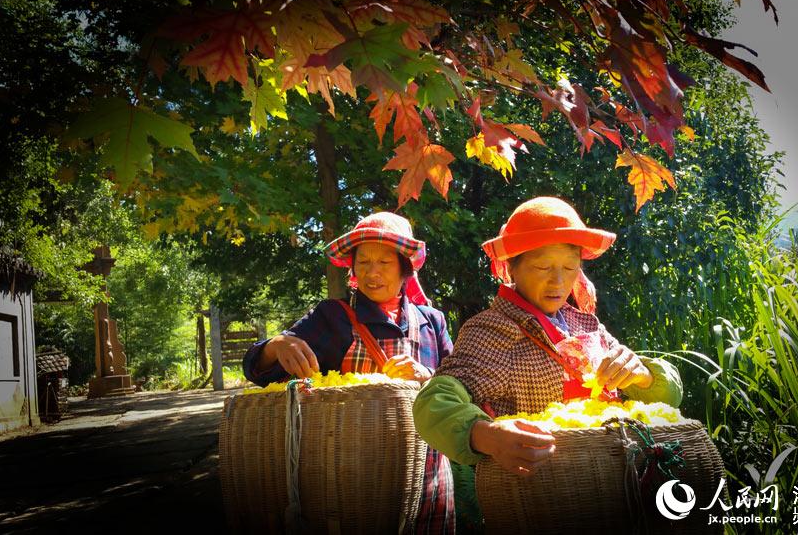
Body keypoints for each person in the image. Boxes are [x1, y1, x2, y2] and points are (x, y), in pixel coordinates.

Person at [412, 196, 683, 525]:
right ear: (513, 266)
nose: (558, 281)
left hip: (611, 494)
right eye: (542, 267)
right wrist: (487, 435)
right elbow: (434, 401)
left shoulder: (586, 324)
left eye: (569, 267)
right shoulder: (493, 330)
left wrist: (644, 376)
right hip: (533, 502)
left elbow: (670, 395)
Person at [243, 211, 455, 534]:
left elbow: (459, 388)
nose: (372, 273)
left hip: (429, 479)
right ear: (353, 268)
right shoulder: (332, 317)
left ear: (404, 268)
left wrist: (428, 376)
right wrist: (277, 345)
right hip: (356, 482)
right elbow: (256, 369)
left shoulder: (432, 322)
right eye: (364, 262)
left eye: (384, 263)